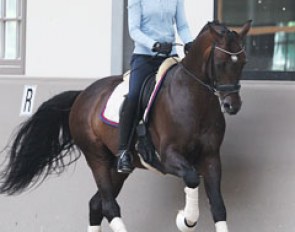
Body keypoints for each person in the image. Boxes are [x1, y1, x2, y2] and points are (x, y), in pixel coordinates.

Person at [117, 0, 193, 173]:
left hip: (170, 57)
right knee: (134, 96)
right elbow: (134, 30)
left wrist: (189, 42)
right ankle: (124, 152)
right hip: (145, 57)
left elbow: (182, 25)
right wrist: (154, 44)